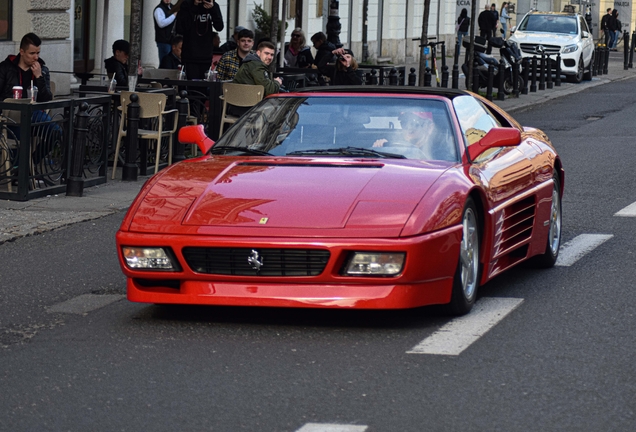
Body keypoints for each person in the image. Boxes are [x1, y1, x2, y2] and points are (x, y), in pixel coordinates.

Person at [371, 111, 454, 161]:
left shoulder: (441, 154)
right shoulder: (394, 148)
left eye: (414, 123)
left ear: (429, 127)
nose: (408, 127)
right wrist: (379, 150)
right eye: (404, 122)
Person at [175, 0, 224, 80]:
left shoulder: (213, 5)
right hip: (190, 55)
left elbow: (219, 27)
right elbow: (180, 28)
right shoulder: (187, 5)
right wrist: (194, 7)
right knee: (191, 86)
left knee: (204, 86)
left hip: (206, 54)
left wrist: (213, 9)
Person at [0, 32, 53, 102]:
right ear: (22, 52)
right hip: (10, 110)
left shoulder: (43, 70)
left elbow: (47, 99)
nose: (36, 57)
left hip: (33, 110)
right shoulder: (6, 67)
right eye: (32, 53)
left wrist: (39, 77)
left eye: (38, 53)